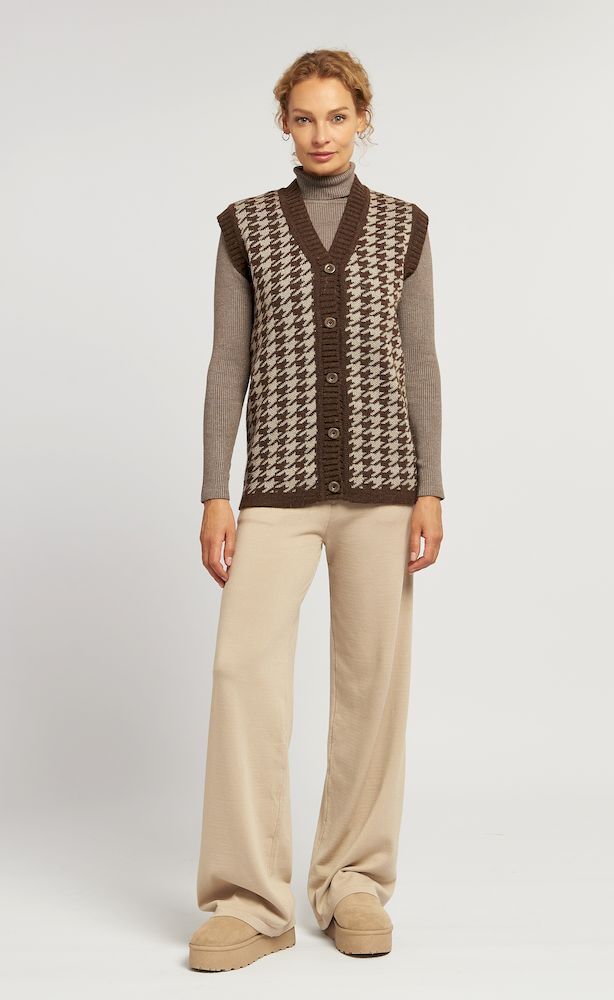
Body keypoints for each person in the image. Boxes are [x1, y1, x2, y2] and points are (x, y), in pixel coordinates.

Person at [189, 48, 445, 973]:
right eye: (304, 118)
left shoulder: (406, 226)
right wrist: (216, 490)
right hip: (278, 490)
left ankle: (354, 882)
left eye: (337, 116)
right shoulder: (247, 226)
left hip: (385, 489)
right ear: (284, 124)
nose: (321, 134)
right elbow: (228, 362)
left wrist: (432, 486)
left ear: (361, 118)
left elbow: (421, 360)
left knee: (372, 684)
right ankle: (249, 901)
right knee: (241, 670)